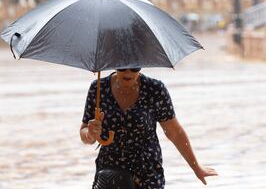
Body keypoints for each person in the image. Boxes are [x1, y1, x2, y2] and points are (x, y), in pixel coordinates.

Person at [80, 68, 217, 189]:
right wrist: (91, 134)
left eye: (134, 67)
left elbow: (174, 133)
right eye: (122, 67)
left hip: (147, 172)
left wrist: (196, 167)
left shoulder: (155, 89)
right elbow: (84, 133)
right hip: (110, 171)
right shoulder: (98, 88)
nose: (128, 72)